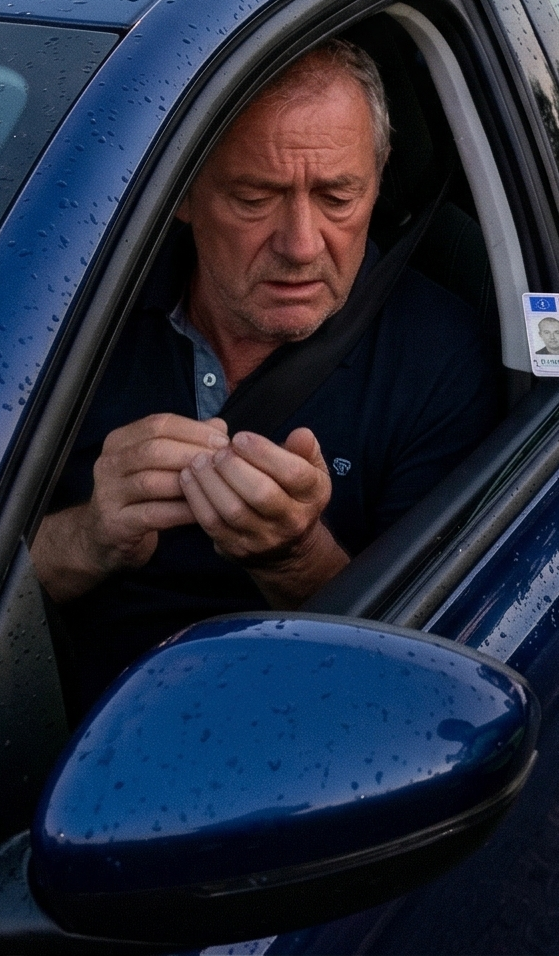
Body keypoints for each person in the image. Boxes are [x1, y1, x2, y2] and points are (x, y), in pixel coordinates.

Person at [33, 39, 499, 712]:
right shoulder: (73, 318)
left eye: (338, 197)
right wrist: (91, 535)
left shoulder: (442, 357)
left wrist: (296, 556)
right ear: (182, 193)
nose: (301, 245)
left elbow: (421, 681)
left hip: (300, 728)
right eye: (255, 198)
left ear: (378, 179)